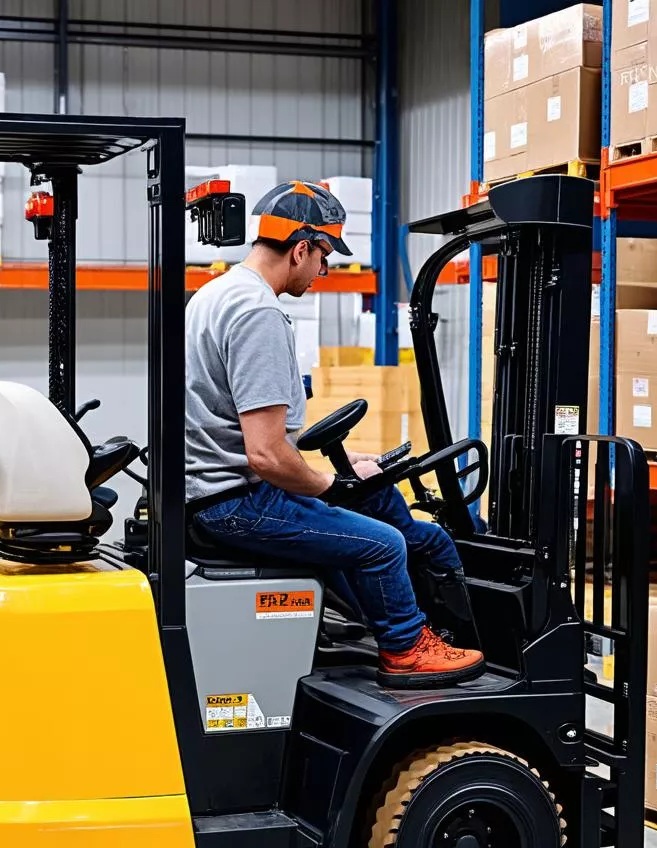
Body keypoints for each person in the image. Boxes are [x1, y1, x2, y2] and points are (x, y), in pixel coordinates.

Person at [185, 179, 484, 687]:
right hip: (236, 503)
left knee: (382, 500)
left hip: (218, 492)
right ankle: (406, 647)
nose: (325, 270)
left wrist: (347, 471)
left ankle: (401, 621)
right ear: (300, 248)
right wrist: (332, 486)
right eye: (324, 255)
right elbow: (264, 455)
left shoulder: (215, 294)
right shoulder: (258, 314)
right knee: (385, 544)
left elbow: (257, 435)